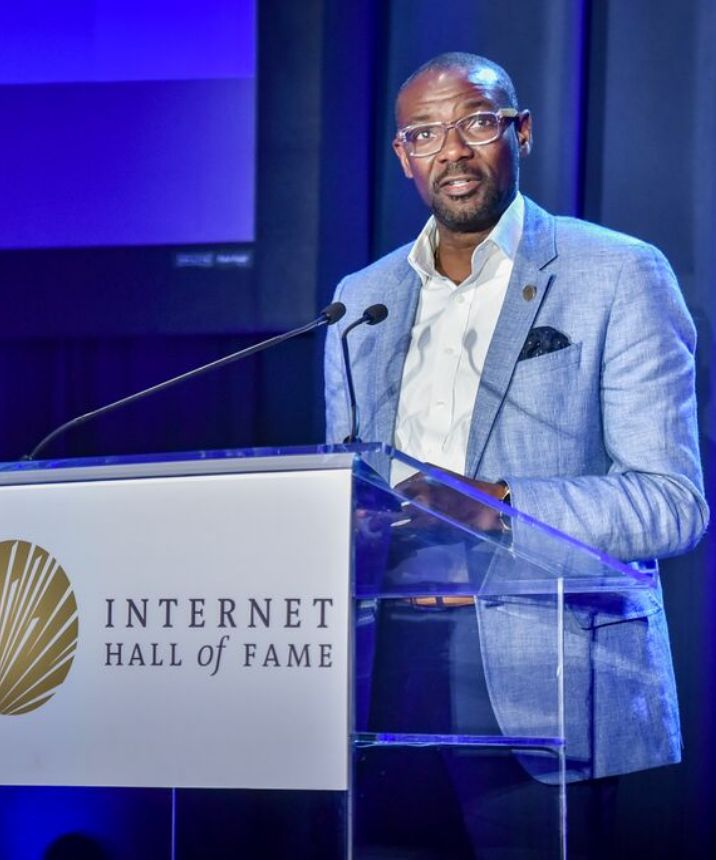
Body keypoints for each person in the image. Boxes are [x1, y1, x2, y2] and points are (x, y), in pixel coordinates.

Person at [324, 52, 709, 858]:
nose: (452, 150)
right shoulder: (360, 299)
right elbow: (343, 480)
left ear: (520, 132)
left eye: (477, 122)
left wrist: (487, 505)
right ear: (403, 156)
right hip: (378, 668)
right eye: (426, 133)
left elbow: (671, 503)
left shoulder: (617, 273)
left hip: (545, 678)